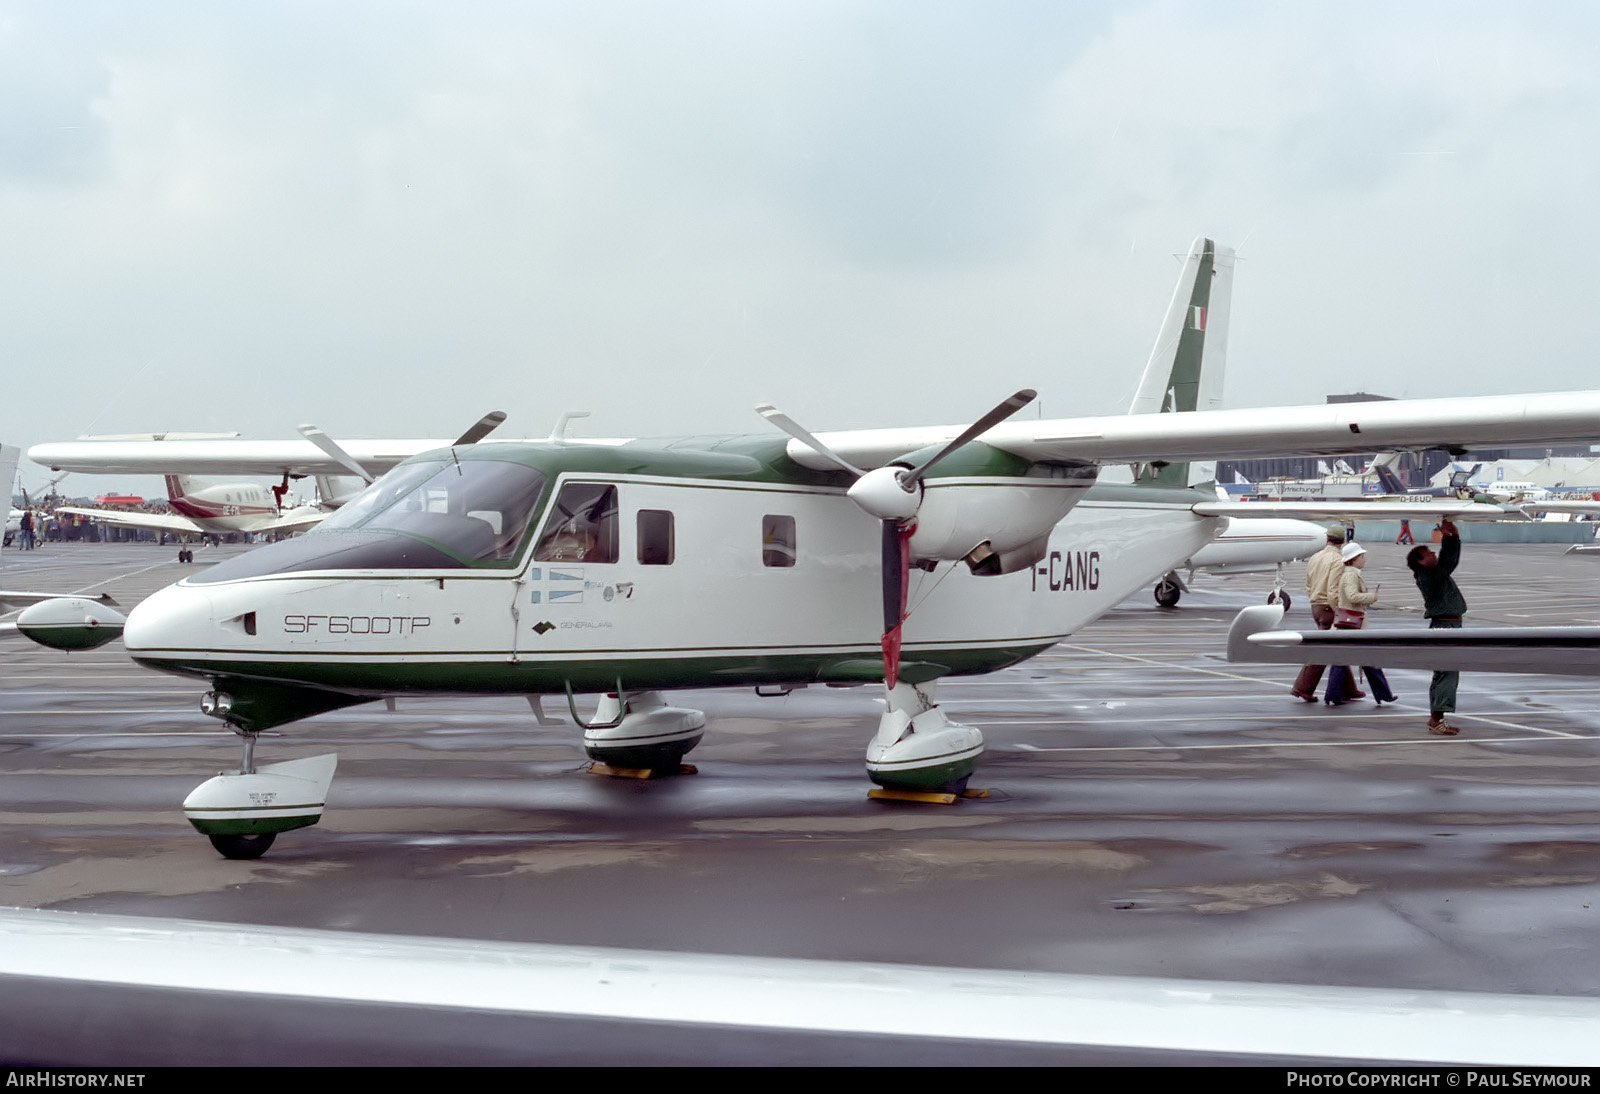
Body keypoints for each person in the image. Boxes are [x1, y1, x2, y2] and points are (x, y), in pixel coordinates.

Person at [1407, 520, 1467, 736]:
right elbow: (1449, 562)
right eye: (1428, 553)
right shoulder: (1430, 576)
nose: (1433, 554)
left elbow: (1447, 561)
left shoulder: (1432, 574)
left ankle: (1437, 717)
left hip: (1447, 624)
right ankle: (1437, 719)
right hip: (1446, 626)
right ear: (1420, 562)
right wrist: (1451, 538)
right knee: (1447, 672)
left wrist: (1452, 538)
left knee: (1444, 672)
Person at [1324, 542, 1397, 705]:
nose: (1364, 559)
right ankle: (1383, 694)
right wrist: (1372, 597)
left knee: (1346, 661)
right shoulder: (1351, 575)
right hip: (1353, 626)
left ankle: (1334, 695)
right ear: (1354, 559)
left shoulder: (1350, 573)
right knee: (1366, 660)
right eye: (1361, 557)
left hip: (1349, 625)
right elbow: (1352, 596)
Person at [1290, 525, 1350, 702]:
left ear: (1327, 539)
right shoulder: (1338, 560)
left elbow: (1308, 583)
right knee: (1325, 647)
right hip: (1328, 606)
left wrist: (1314, 598)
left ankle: (1348, 688)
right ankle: (1302, 687)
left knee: (1339, 645)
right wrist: (1338, 608)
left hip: (1316, 604)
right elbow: (1333, 590)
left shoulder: (1315, 557)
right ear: (1343, 541)